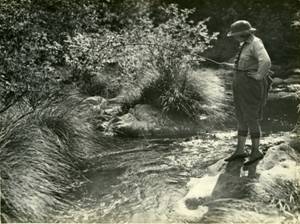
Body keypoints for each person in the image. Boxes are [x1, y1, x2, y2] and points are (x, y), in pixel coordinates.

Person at [221, 20, 272, 166]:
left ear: (244, 33)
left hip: (251, 85)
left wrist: (258, 76)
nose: (234, 38)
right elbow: (247, 63)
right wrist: (230, 65)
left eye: (235, 35)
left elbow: (266, 62)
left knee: (251, 117)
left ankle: (256, 151)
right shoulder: (244, 44)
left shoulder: (256, 43)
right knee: (241, 116)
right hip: (240, 83)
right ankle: (240, 150)